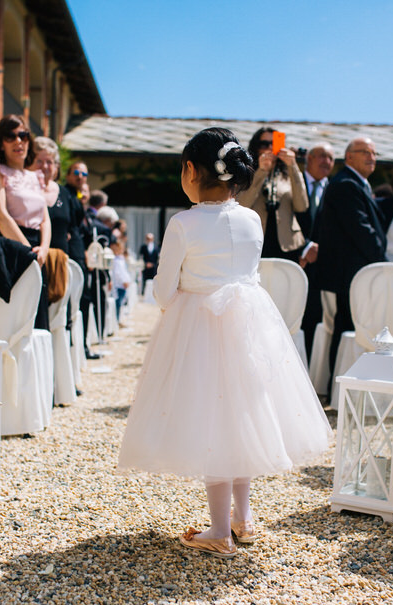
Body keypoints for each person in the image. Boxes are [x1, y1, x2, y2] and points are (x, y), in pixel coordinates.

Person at [117, 127, 330, 559]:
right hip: (249, 323)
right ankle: (243, 519)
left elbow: (162, 290)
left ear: (191, 170)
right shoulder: (250, 219)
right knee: (241, 415)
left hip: (198, 322)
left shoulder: (183, 222)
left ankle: (218, 530)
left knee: (211, 420)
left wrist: (178, 304)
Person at [315, 137, 386, 390]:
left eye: (374, 153)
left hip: (355, 274)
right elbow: (361, 230)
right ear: (349, 157)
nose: (371, 157)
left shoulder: (359, 184)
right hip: (348, 275)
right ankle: (338, 387)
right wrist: (381, 259)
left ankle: (346, 385)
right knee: (345, 329)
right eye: (365, 152)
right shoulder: (346, 184)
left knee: (350, 328)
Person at [0, 114, 51, 330]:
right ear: (1, 142)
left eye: (23, 135)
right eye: (10, 136)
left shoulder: (33, 176)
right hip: (9, 246)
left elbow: (44, 218)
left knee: (36, 316)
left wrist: (44, 248)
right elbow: (0, 215)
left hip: (37, 249)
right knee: (11, 318)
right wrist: (27, 252)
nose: (18, 141)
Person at [237, 127, 310, 261]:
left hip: (288, 245)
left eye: (274, 143)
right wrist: (262, 171)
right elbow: (242, 205)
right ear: (256, 147)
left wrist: (292, 166)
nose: (270, 148)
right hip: (255, 242)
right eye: (264, 144)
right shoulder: (247, 174)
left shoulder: (288, 173)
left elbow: (302, 206)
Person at [65, 161, 108, 358]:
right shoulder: (64, 194)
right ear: (67, 175)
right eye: (76, 172)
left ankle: (81, 347)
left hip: (81, 256)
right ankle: (75, 348)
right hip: (71, 255)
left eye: (84, 173)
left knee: (83, 302)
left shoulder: (77, 198)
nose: (80, 176)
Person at [297, 143, 334, 358]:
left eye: (330, 158)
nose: (326, 161)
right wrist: (304, 247)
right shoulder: (293, 182)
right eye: (321, 156)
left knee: (316, 324)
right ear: (308, 159)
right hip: (295, 263)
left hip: (324, 270)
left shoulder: (334, 189)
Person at [109, 237, 131, 322]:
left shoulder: (120, 259)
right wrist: (124, 281)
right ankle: (116, 321)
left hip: (122, 285)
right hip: (119, 284)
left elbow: (124, 271)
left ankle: (118, 320)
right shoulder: (115, 260)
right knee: (117, 304)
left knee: (121, 303)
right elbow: (118, 273)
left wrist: (127, 280)